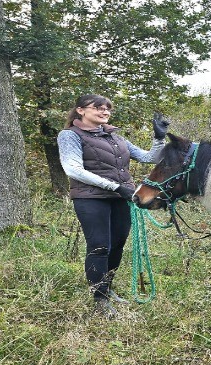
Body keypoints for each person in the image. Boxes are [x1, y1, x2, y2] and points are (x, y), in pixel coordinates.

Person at [58, 94, 170, 318]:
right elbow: (73, 169)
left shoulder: (115, 137)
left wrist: (159, 138)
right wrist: (116, 187)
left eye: (107, 109)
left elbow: (150, 158)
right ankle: (99, 298)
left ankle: (107, 288)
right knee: (99, 246)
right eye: (98, 108)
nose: (104, 112)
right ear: (80, 110)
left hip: (121, 197)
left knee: (117, 244)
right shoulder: (69, 135)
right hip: (90, 198)